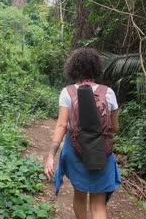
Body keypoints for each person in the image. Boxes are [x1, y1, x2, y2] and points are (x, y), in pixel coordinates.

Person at [44, 48, 121, 219]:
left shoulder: (67, 92)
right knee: (98, 204)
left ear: (74, 68)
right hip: (101, 152)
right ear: (96, 68)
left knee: (79, 196)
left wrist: (51, 155)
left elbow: (62, 125)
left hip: (76, 150)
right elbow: (115, 128)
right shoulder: (108, 93)